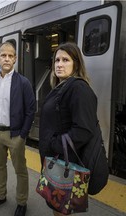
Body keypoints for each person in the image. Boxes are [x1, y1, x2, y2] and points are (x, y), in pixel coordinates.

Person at [38, 42, 99, 216]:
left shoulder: (78, 88)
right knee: (58, 206)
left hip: (63, 162)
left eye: (65, 60)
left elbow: (84, 130)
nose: (59, 64)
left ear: (76, 64)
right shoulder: (62, 87)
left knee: (60, 207)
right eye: (57, 60)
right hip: (56, 160)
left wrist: (53, 144)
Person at [0, 41, 35, 216]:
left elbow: (31, 110)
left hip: (15, 135)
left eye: (10, 56)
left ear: (15, 59)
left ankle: (21, 202)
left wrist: (23, 135)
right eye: (3, 55)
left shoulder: (23, 82)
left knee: (20, 170)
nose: (7, 58)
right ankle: (1, 195)